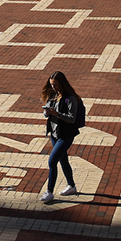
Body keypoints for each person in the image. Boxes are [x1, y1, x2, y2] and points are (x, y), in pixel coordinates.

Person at [39, 71, 86, 201]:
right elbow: (46, 112)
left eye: (55, 85)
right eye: (51, 85)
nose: (53, 88)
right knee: (63, 160)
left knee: (52, 161)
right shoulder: (53, 95)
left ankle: (49, 191)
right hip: (54, 134)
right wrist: (47, 112)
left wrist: (57, 114)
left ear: (62, 83)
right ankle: (71, 186)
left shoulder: (70, 98)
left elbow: (72, 118)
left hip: (65, 135)